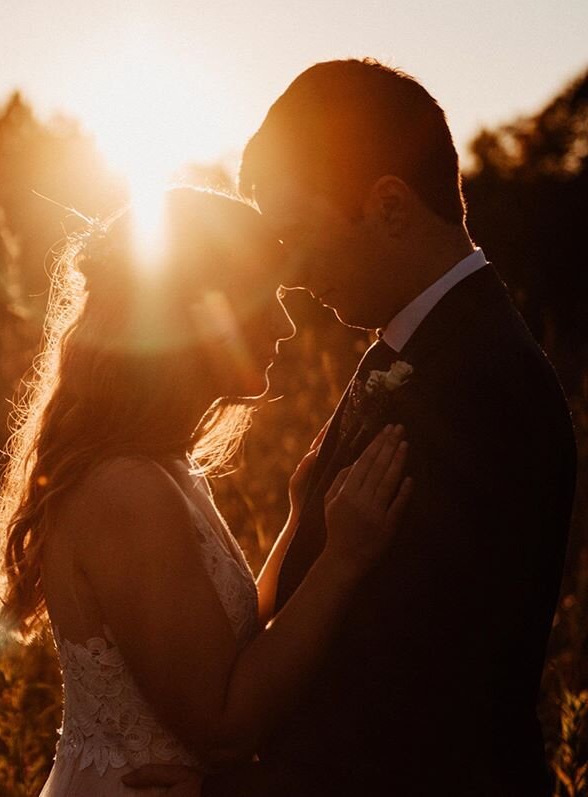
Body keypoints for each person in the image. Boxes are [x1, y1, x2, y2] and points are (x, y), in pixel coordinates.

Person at [124, 60, 576, 796]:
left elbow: (421, 699)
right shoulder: (412, 348)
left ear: (390, 206)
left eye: (297, 235)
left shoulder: (485, 385)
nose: (291, 277)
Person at [0, 187, 413, 796]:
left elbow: (222, 644)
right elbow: (222, 729)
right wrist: (342, 562)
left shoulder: (163, 468)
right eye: (265, 299)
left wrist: (298, 515)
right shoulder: (127, 490)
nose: (287, 327)